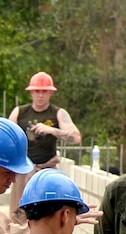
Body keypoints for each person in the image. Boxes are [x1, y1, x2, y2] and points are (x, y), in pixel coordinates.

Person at [6, 72, 83, 212]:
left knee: (49, 212)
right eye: (37, 91)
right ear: (31, 92)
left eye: (44, 91)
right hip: (23, 171)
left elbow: (76, 138)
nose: (40, 95)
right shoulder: (19, 112)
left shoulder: (57, 113)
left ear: (50, 93)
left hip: (48, 170)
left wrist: (51, 130)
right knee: (18, 215)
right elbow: (7, 139)